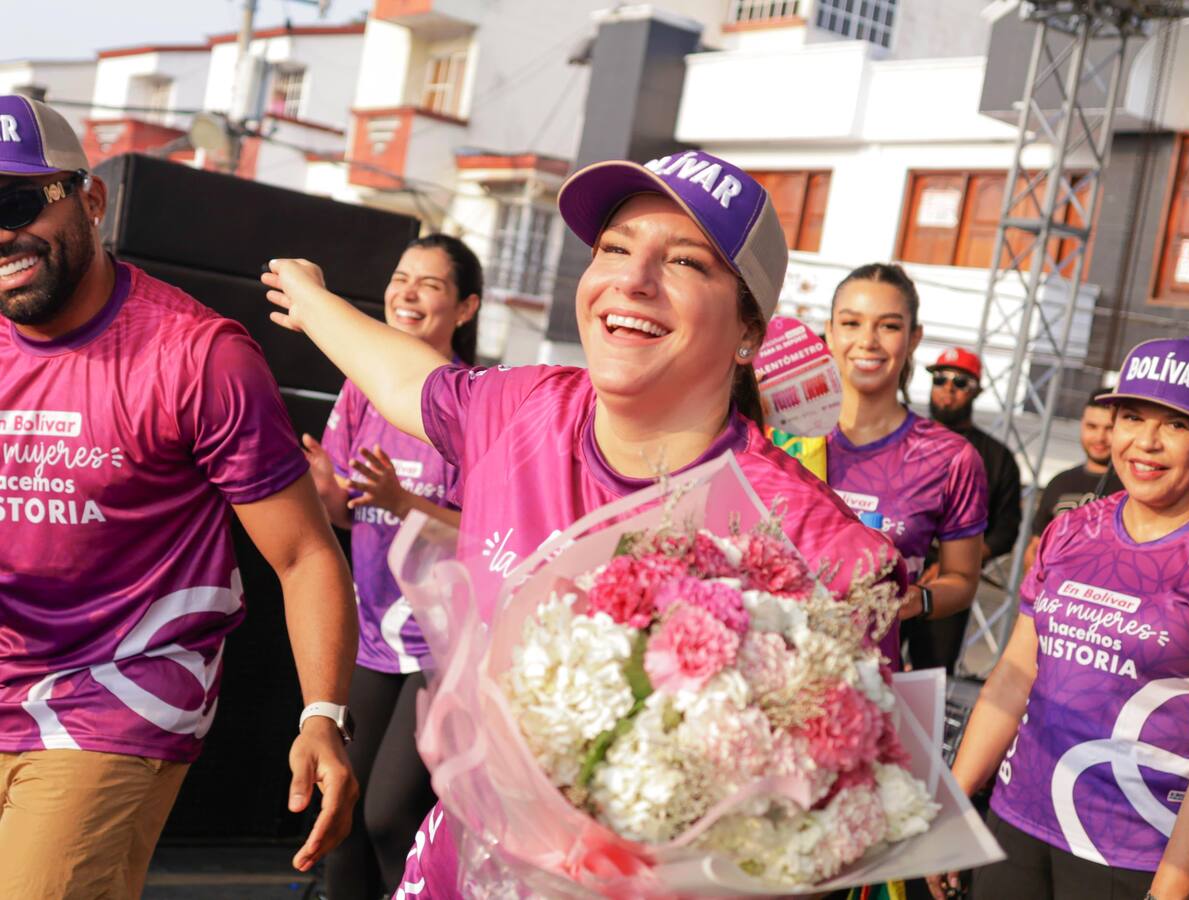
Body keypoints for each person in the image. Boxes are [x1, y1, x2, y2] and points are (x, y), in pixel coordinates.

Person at [260, 148, 907, 897]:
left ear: (749, 335)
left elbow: (839, 813)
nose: (632, 280)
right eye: (614, 249)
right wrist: (307, 299)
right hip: (454, 872)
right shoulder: (521, 409)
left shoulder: (815, 546)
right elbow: (404, 375)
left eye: (687, 263)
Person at [0, 95, 358, 899]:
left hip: (117, 692)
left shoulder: (199, 358)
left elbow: (304, 555)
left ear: (90, 200)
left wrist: (322, 715)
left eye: (17, 202)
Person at [928, 336, 1189, 900]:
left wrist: (1172, 888)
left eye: (1176, 424)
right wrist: (953, 806)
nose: (1144, 442)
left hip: (1133, 851)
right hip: (1017, 820)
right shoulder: (1074, 528)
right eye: (1131, 416)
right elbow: (1014, 673)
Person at [309, 234, 480, 900]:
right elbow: (350, 514)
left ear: (464, 308)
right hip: (371, 633)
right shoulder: (360, 390)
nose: (406, 294)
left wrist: (401, 501)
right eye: (401, 278)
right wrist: (320, 487)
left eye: (429, 285)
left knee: (387, 815)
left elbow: (487, 534)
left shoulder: (474, 403)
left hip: (441, 643)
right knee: (341, 812)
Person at [823, 264, 988, 669]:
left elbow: (962, 580)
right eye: (851, 323)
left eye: (889, 326)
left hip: (865, 683)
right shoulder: (778, 435)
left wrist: (918, 600)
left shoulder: (950, 458)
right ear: (829, 331)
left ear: (914, 337)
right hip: (760, 672)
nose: (867, 341)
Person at [907, 346, 1022, 672]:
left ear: (977, 392)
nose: (947, 389)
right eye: (940, 379)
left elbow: (1006, 530)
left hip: (946, 586)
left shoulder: (996, 457)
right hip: (894, 573)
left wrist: (952, 565)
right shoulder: (906, 437)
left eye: (960, 383)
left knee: (929, 676)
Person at [1022, 388, 1122, 570]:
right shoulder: (1060, 483)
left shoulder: (1134, 488)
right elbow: (1035, 547)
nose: (1100, 438)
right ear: (1081, 425)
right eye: (1092, 427)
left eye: (1110, 429)